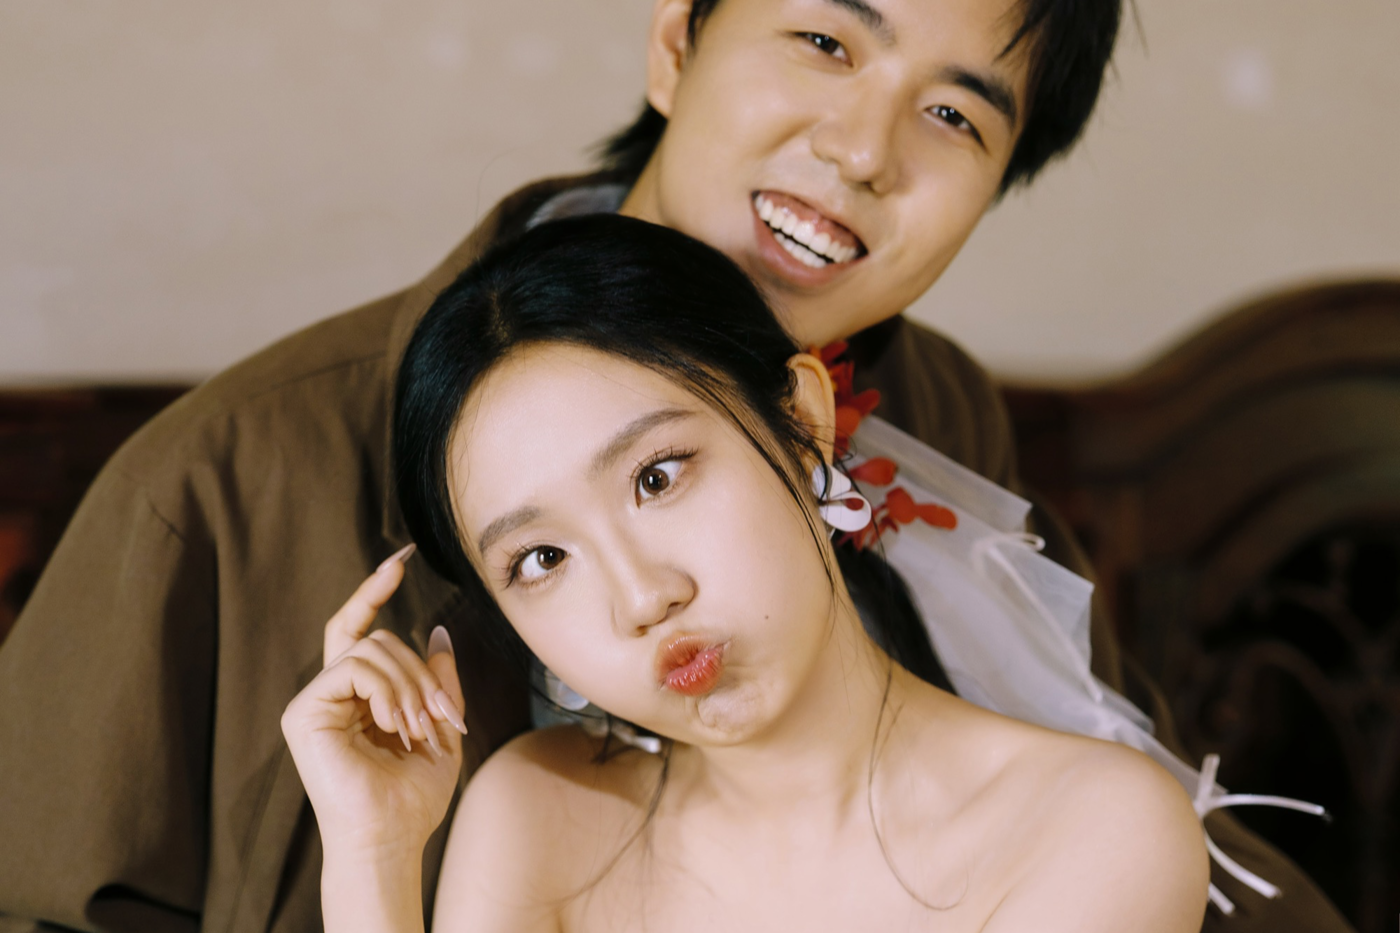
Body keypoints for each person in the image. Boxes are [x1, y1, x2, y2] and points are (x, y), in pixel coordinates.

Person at [0, 0, 1351, 930]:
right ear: (675, 43)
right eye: (824, 41)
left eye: (954, 115)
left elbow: (1123, 777)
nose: (860, 151)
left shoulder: (936, 412)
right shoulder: (232, 475)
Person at [284, 212, 1210, 932]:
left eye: (657, 477)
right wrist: (373, 855)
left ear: (802, 424)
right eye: (542, 558)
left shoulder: (1094, 828)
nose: (643, 597)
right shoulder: (538, 814)